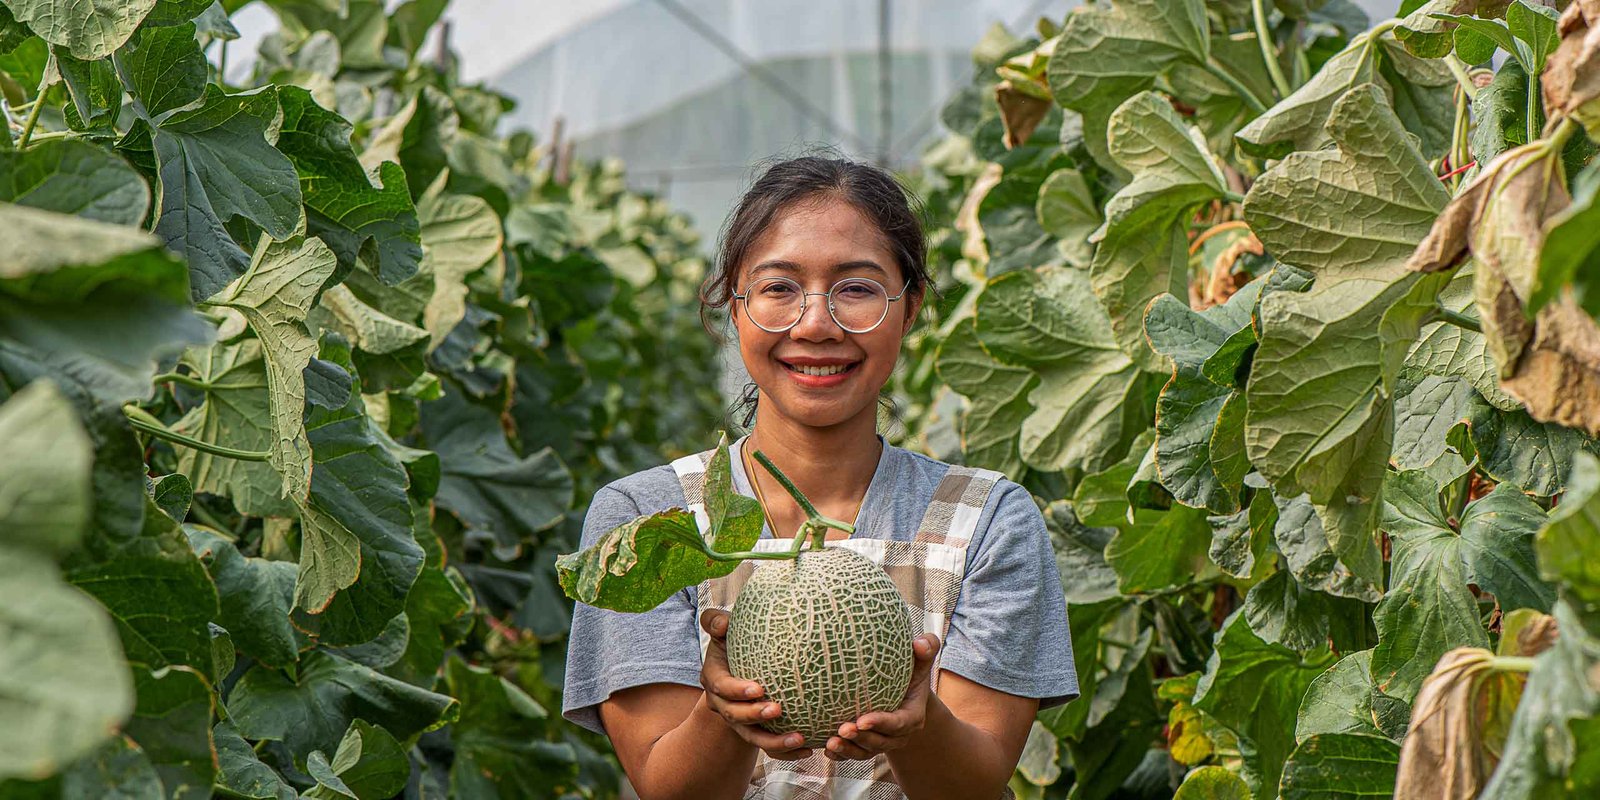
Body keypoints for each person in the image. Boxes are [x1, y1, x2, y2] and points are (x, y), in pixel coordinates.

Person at [562, 155, 1077, 800]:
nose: (815, 324)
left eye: (857, 288)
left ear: (910, 307)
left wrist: (921, 722)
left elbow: (972, 787)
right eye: (778, 288)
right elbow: (666, 789)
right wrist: (720, 715)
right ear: (734, 306)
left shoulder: (990, 518)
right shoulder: (648, 520)